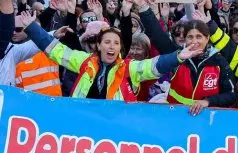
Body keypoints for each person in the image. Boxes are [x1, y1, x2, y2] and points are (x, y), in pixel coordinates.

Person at [19, 11, 201, 101]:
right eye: (107, 42)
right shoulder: (84, 61)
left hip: (115, 134)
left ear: (120, 48)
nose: (111, 46)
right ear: (98, 45)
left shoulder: (129, 68)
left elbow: (154, 66)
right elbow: (56, 51)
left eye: (116, 43)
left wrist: (179, 56)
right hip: (83, 129)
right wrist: (31, 28)